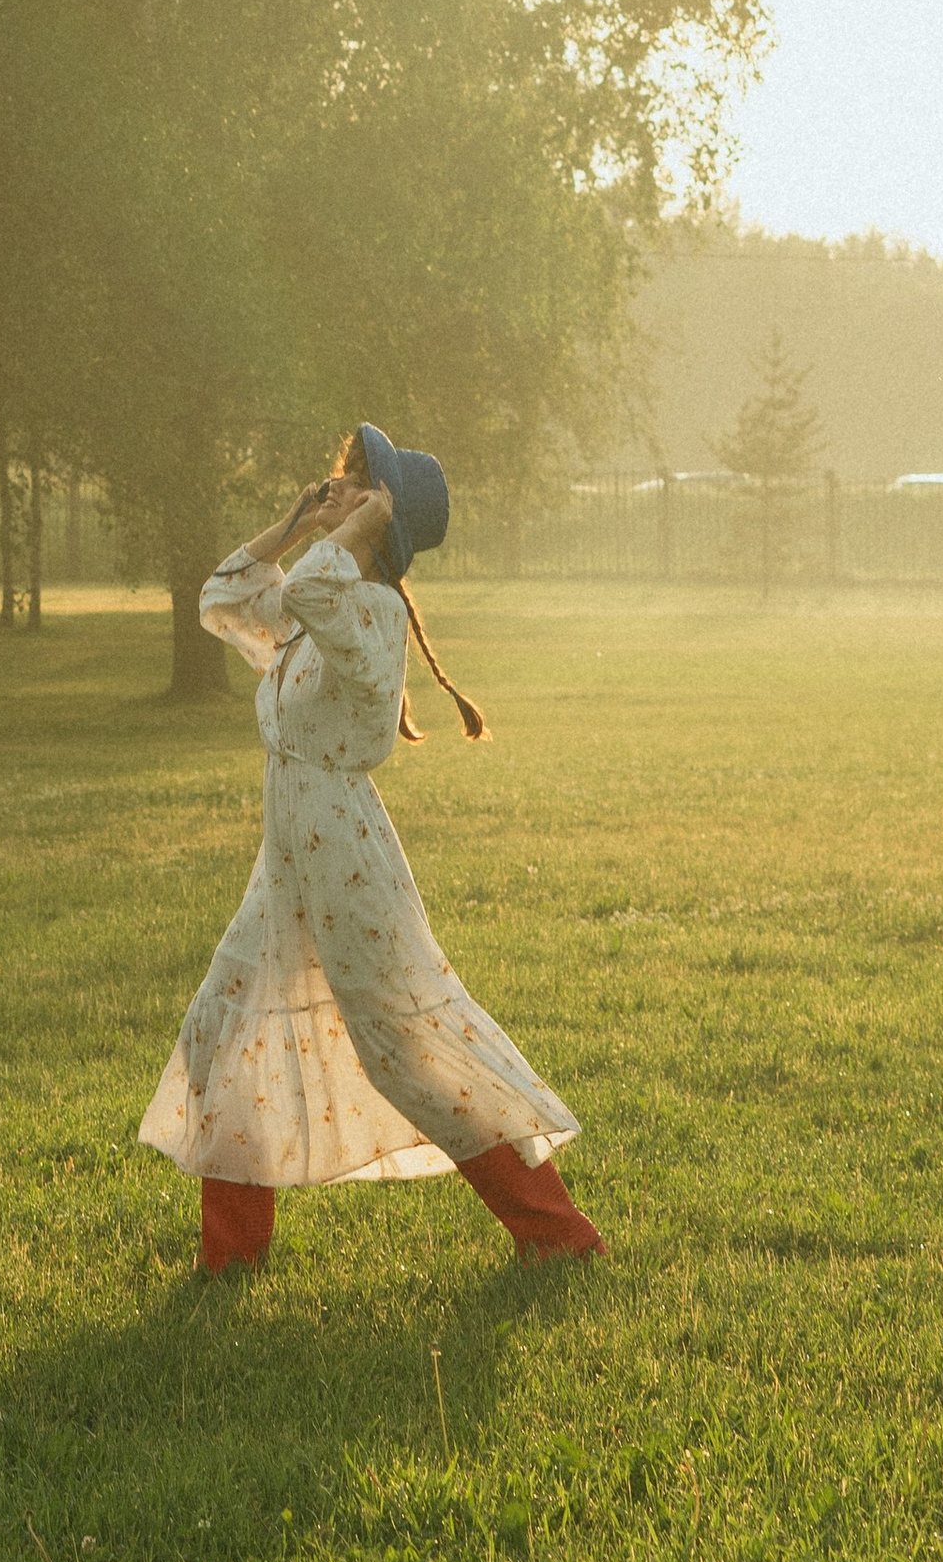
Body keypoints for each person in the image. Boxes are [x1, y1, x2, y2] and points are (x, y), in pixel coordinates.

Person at [139, 423, 604, 1269]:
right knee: (231, 1027)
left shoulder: (371, 610)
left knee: (406, 1048)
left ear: (384, 516)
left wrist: (349, 534)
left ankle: (559, 1236)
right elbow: (224, 597)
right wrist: (290, 526)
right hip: (290, 856)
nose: (336, 487)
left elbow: (315, 592)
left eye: (358, 483)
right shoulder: (319, 604)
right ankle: (229, 1255)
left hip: (343, 855)